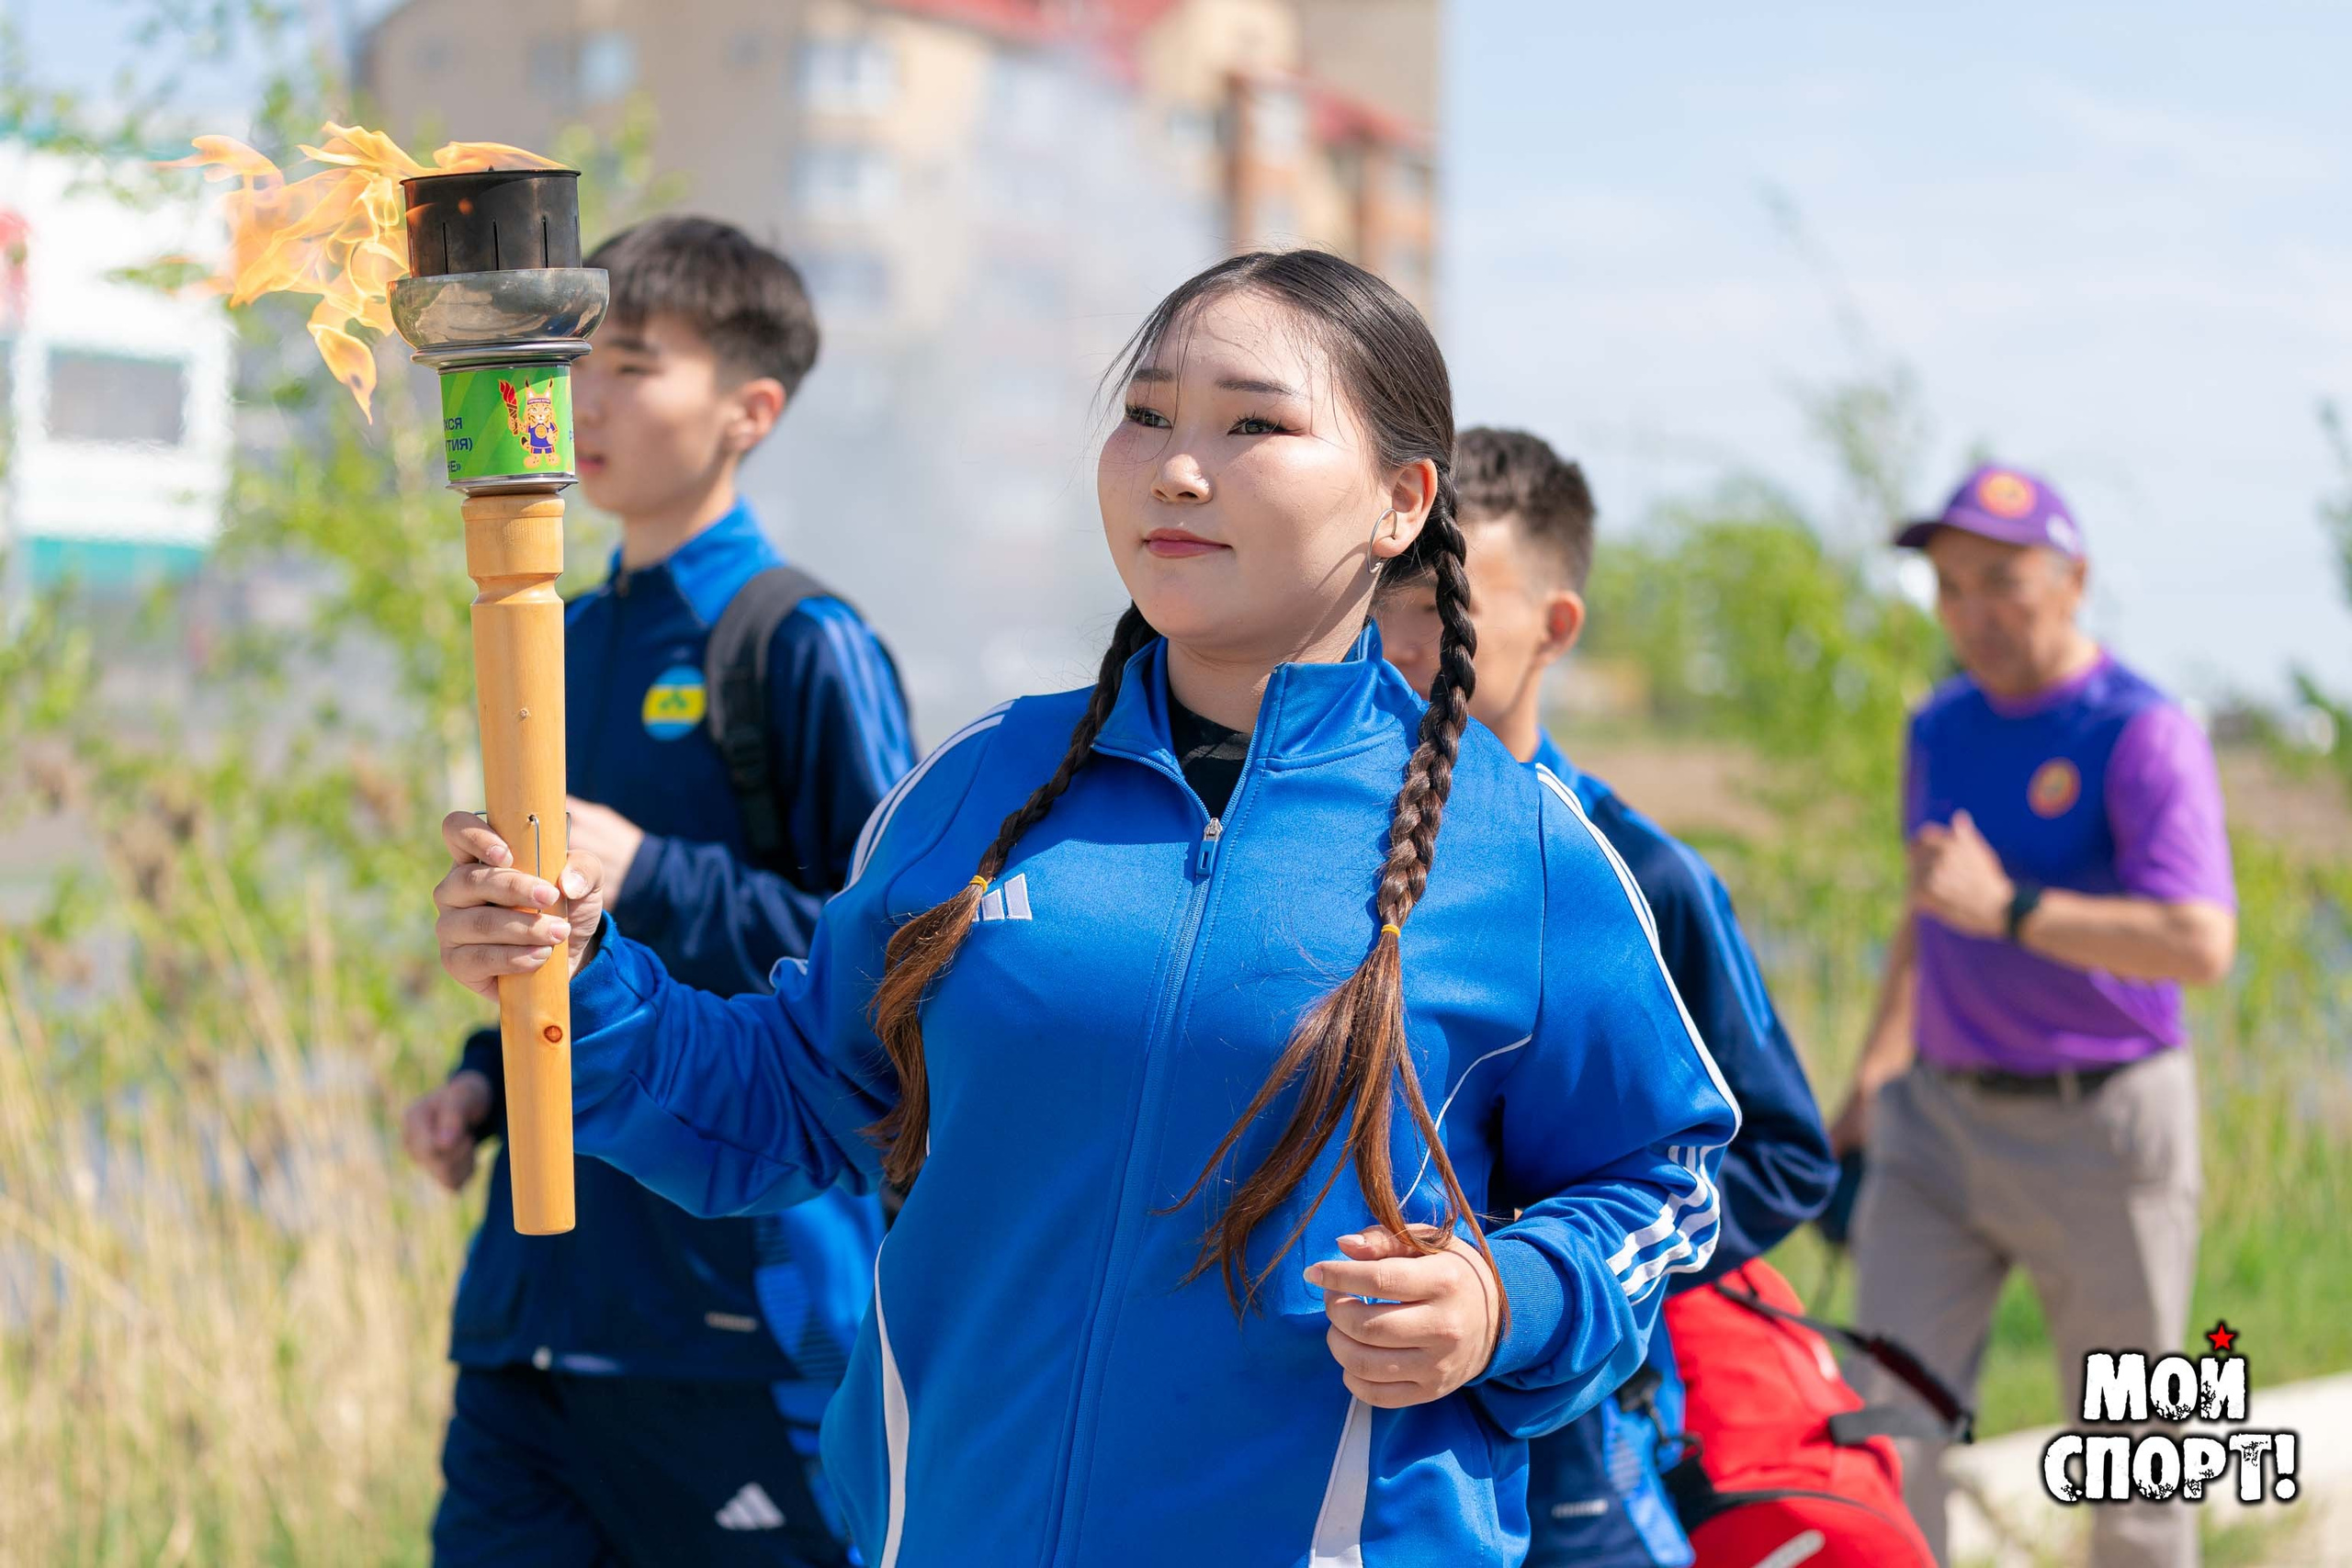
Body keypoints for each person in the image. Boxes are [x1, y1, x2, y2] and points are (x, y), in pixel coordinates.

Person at [429, 250, 1740, 1566]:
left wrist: (1506, 1298)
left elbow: (1662, 1178)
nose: (1177, 468)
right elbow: (784, 1100)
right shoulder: (981, 787)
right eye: (1148, 414)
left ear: (1401, 502)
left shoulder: (1520, 849)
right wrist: (576, 974)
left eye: (1254, 425)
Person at [399, 216, 914, 1568]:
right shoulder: (551, 630)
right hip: (535, 1321)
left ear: (751, 410)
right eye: (578, 362)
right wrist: (478, 1081)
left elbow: (902, 968)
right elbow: (554, 940)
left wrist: (659, 873)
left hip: (738, 1324)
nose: (588, 399)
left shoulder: (800, 642)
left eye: (634, 364)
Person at [1380, 427, 1837, 1567]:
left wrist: (1546, 1274)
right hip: (1359, 1412)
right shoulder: (1324, 851)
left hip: (1580, 1439)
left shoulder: (1639, 874)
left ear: (1555, 627)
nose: (1403, 642)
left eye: (1445, 608)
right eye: (1386, 602)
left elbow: (1781, 1155)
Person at [1827, 465, 2235, 1568]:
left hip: (2104, 1128)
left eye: (2001, 582)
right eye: (1950, 588)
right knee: (1886, 1426)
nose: (1972, 613)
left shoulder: (2142, 730)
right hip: (1936, 1130)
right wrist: (1870, 1074)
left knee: (2133, 1453)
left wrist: (2009, 908)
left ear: (2074, 581)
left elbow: (2199, 942)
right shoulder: (1940, 727)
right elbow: (1928, 908)